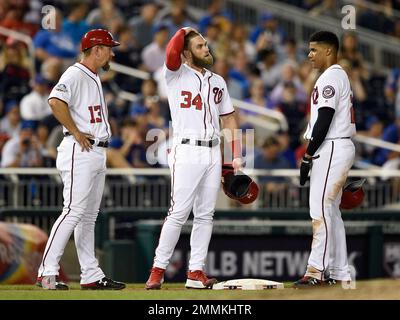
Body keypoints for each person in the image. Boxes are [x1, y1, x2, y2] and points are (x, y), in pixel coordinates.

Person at [145, 27, 242, 290]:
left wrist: (235, 156)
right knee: (178, 212)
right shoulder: (175, 74)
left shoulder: (218, 81)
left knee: (205, 215)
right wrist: (185, 30)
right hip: (187, 149)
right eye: (199, 46)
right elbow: (171, 51)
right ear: (187, 53)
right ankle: (157, 269)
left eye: (206, 44)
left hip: (212, 150)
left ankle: (195, 272)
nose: (206, 48)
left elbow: (229, 119)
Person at [36, 29, 125, 290]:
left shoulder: (94, 76)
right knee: (73, 211)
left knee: (88, 217)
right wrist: (75, 131)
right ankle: (47, 272)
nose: (112, 52)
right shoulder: (75, 73)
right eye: (109, 47)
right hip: (80, 149)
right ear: (96, 49)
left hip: (97, 151)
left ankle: (90, 274)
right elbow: (54, 101)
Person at [294, 31, 356, 287]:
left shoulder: (331, 76)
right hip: (336, 147)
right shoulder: (336, 75)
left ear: (328, 50)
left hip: (330, 147)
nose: (309, 55)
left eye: (313, 50)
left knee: (320, 210)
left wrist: (308, 155)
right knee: (331, 212)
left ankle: (316, 272)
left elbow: (325, 118)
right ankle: (340, 272)